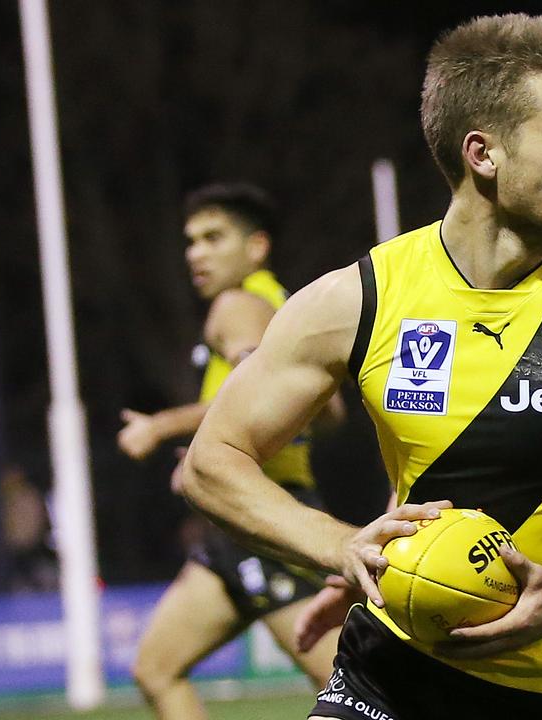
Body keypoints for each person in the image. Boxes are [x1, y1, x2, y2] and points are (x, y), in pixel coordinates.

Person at [181, 14, 542, 720]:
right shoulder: (360, 297)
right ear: (483, 153)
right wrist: (339, 547)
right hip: (385, 674)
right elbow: (213, 460)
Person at [117, 182, 345, 719]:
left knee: (352, 688)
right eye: (191, 241)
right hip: (233, 524)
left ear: (256, 247)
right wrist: (227, 451)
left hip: (265, 518)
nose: (196, 253)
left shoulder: (236, 305)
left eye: (213, 238)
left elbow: (252, 388)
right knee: (157, 668)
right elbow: (328, 413)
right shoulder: (285, 307)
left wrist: (160, 427)